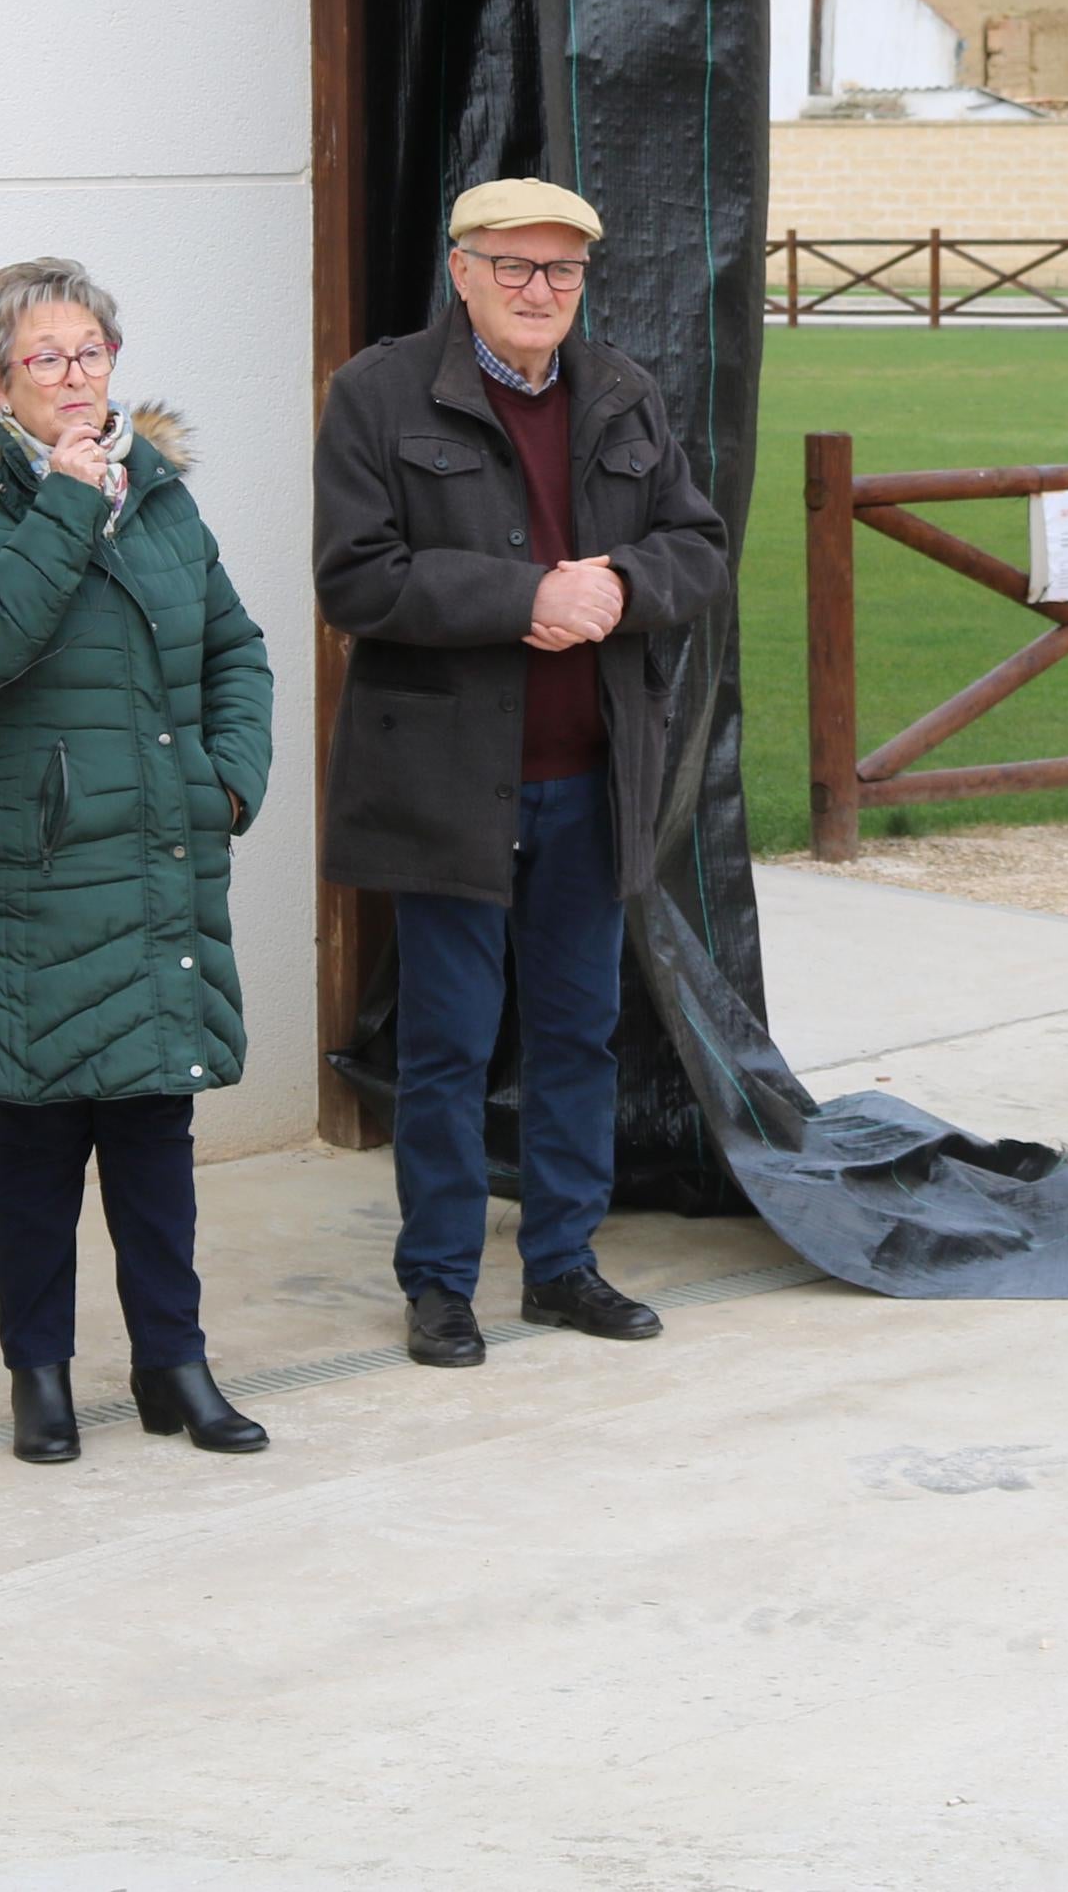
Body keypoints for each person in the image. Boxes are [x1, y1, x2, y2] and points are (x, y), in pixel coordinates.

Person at [313, 178, 734, 1368]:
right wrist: (524, 597)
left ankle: (561, 1265)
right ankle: (439, 1284)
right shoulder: (377, 394)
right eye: (512, 266)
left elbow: (696, 543)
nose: (538, 290)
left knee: (576, 1035)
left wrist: (620, 585)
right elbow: (354, 576)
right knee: (446, 1044)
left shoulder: (622, 391)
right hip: (448, 782)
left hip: (592, 780)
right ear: (460, 271)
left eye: (560, 269)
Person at [0, 257, 277, 1465]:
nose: (73, 375)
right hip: (35, 871)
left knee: (155, 1120)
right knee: (39, 1129)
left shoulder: (157, 493)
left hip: (157, 856)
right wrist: (62, 497)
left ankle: (173, 1362)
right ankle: (39, 1375)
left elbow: (235, 647)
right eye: (44, 357)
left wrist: (225, 781)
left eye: (89, 352)